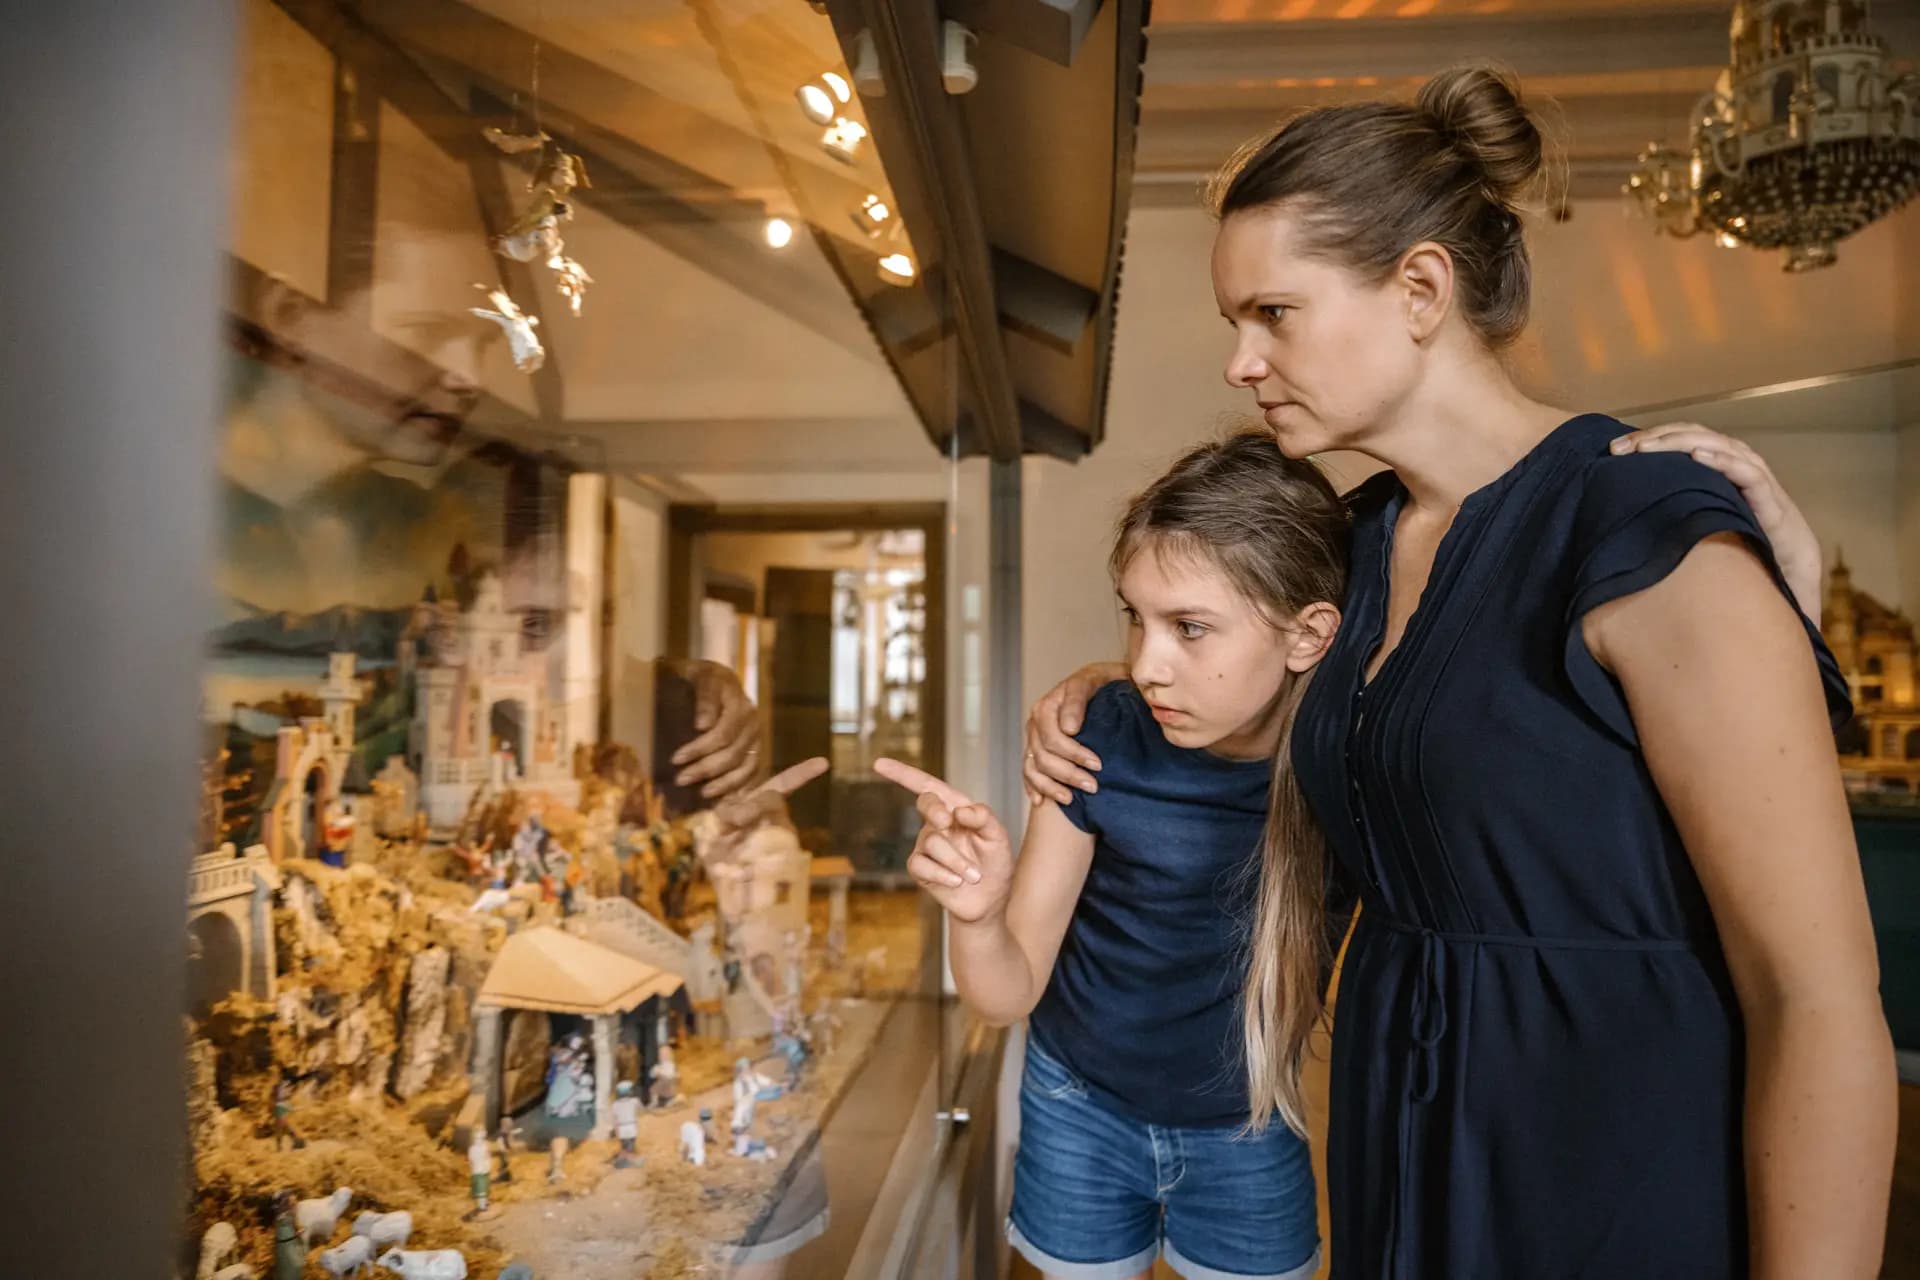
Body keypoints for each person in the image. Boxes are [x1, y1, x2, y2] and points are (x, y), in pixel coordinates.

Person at [1023, 63, 1895, 1280]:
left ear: (1422, 288)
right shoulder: (1359, 540)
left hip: (1602, 1164)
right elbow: (1237, 670)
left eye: (1271, 313)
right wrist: (1092, 691)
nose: (1239, 361)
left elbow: (1818, 997)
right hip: (1399, 1145)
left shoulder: (1638, 528)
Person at [877, 432, 1348, 1280]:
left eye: (1190, 627)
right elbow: (1005, 991)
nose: (1146, 664)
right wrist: (979, 915)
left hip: (1254, 1122)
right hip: (1076, 1105)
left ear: (1308, 634)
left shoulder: (1356, 767)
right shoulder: (1099, 737)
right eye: (1136, 617)